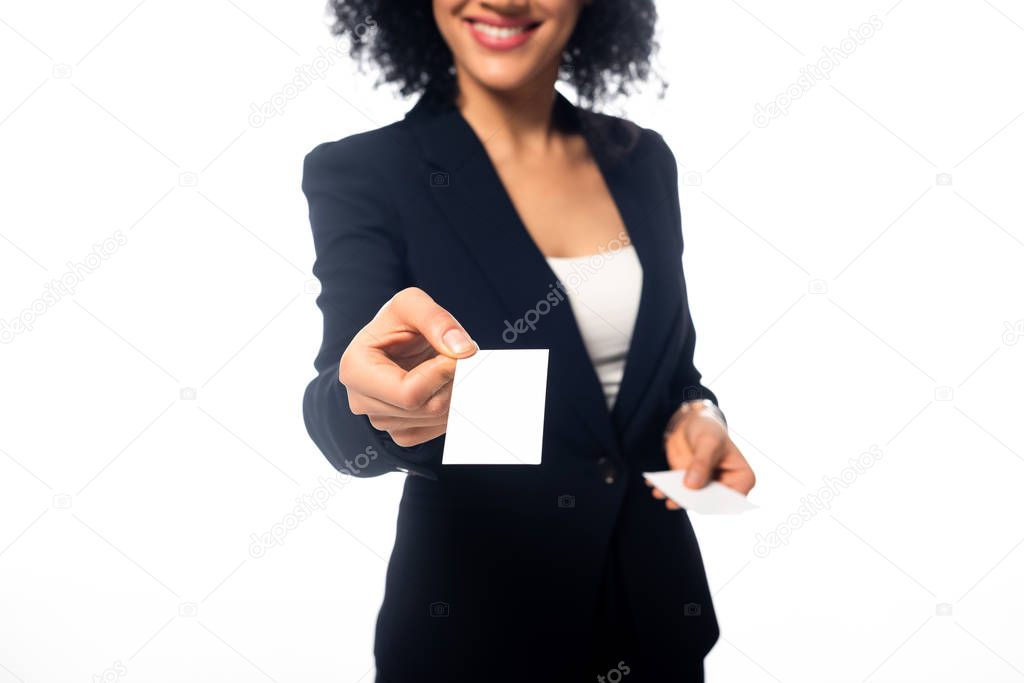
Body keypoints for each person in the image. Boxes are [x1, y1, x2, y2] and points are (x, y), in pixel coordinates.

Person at [301, 1, 756, 680]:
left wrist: (698, 417)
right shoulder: (366, 171)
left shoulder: (643, 162)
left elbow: (670, 374)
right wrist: (381, 405)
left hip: (656, 627)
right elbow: (343, 400)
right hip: (474, 640)